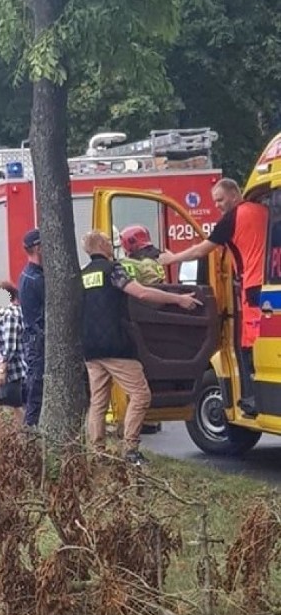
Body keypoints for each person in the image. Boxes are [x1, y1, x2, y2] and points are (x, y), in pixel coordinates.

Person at [81, 230, 203, 465]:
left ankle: (98, 454)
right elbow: (141, 292)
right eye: (108, 242)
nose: (111, 245)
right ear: (100, 245)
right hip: (116, 345)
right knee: (140, 394)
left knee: (98, 401)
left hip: (90, 347)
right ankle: (131, 450)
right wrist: (178, 299)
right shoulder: (113, 269)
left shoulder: (82, 274)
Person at [159, 178, 269, 413]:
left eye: (219, 200)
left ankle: (252, 400)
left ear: (233, 194)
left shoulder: (232, 219)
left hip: (254, 289)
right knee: (272, 337)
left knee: (249, 343)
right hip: (272, 285)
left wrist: (172, 259)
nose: (217, 205)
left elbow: (202, 249)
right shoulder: (265, 211)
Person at [0, 283, 26, 428]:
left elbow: (10, 344)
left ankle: (2, 444)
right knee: (13, 408)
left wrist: (2, 370)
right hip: (0, 366)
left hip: (8, 369)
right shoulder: (8, 313)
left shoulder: (10, 314)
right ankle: (11, 443)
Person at [18, 228, 45, 427]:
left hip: (34, 339)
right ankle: (30, 433)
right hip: (38, 341)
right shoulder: (36, 279)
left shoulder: (29, 275)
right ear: (38, 248)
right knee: (36, 391)